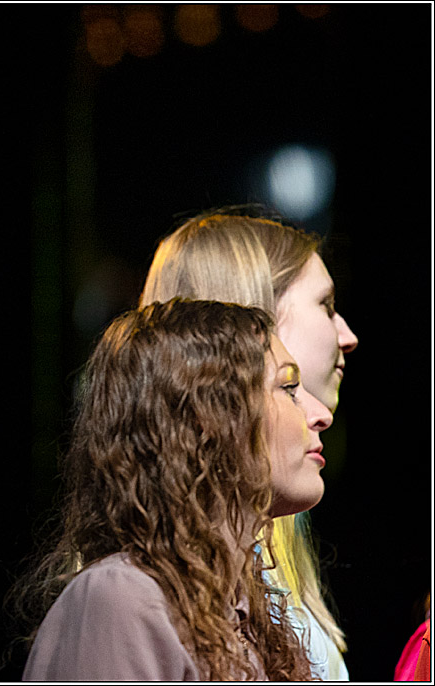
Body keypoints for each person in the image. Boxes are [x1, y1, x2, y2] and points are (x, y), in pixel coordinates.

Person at [17, 299, 332, 680]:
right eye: (289, 387)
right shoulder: (121, 599)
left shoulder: (245, 615)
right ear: (209, 420)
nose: (321, 414)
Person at [139, 206, 359, 680]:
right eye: (326, 305)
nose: (348, 336)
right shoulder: (139, 597)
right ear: (256, 318)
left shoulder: (272, 552)